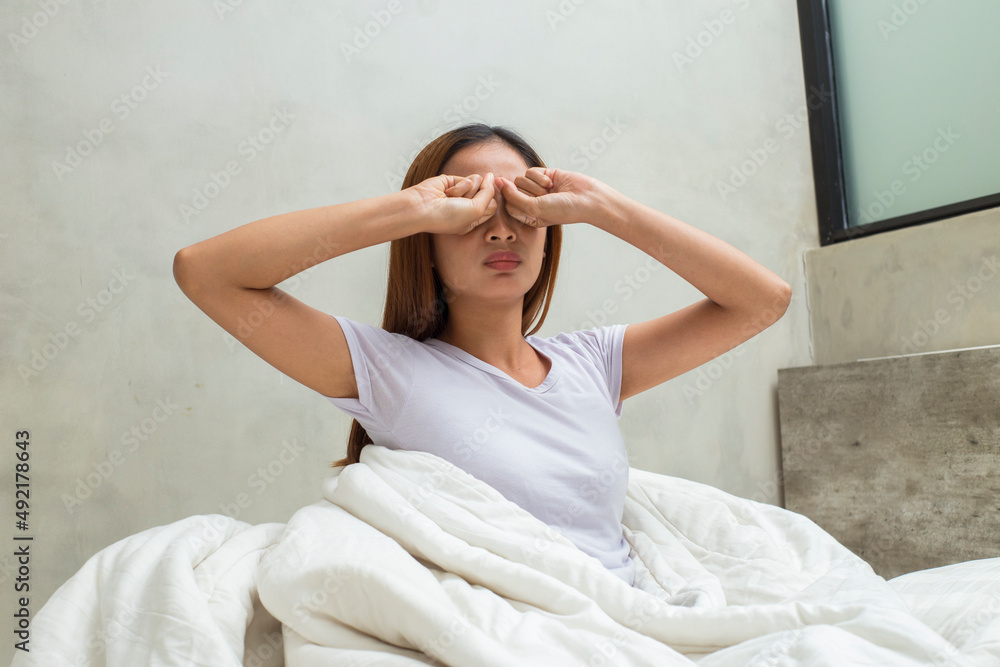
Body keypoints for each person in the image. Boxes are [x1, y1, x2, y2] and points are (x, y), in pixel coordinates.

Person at [172, 122, 791, 586]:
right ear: (428, 239)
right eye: (473, 213)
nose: (501, 230)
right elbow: (206, 272)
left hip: (621, 626)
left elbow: (762, 300)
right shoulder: (390, 372)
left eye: (521, 208)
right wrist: (409, 209)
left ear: (549, 233)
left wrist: (606, 208)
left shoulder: (594, 363)